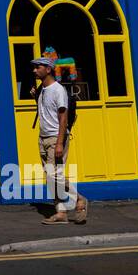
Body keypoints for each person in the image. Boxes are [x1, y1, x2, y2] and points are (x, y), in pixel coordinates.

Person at [32, 58, 88, 225]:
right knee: (52, 177)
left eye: (38, 67)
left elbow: (62, 118)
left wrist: (59, 142)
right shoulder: (42, 89)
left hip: (56, 137)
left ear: (48, 69)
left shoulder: (58, 90)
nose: (34, 71)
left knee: (54, 175)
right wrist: (36, 97)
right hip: (43, 138)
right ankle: (61, 212)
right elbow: (46, 112)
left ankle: (79, 199)